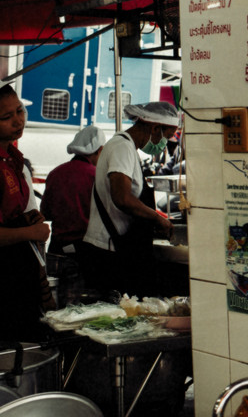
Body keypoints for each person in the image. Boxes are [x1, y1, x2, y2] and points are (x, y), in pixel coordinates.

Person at [81, 101, 178, 296]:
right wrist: (157, 217)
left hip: (111, 247)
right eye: (166, 137)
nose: (164, 144)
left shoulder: (126, 147)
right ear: (154, 127)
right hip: (107, 250)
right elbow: (122, 197)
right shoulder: (122, 147)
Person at [0, 84, 52, 339]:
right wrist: (30, 231)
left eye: (19, 111)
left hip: (19, 273)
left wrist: (28, 219)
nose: (17, 120)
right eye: (6, 117)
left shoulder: (13, 158)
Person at [41, 125, 105, 304]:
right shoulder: (96, 175)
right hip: (85, 252)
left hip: (56, 250)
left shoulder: (55, 173)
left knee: (58, 305)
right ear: (99, 151)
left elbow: (44, 213)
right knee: (81, 309)